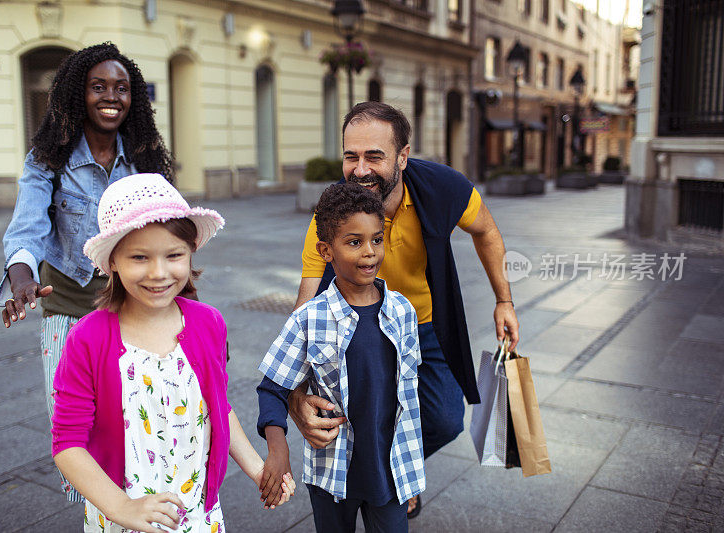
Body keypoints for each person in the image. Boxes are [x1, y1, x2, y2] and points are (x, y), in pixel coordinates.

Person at [290, 102, 521, 518]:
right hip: (360, 329)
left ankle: (394, 470)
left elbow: (486, 229)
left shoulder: (444, 188)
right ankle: (390, 480)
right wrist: (296, 392)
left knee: (447, 419)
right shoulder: (332, 213)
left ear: (402, 156)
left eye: (374, 156)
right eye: (351, 156)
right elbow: (306, 304)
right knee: (364, 420)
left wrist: (504, 300)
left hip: (425, 324)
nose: (360, 170)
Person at [52, 174, 295, 533]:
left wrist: (258, 469)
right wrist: (122, 507)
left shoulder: (208, 323)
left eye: (174, 255)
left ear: (190, 252)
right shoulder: (87, 338)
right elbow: (68, 444)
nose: (159, 272)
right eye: (139, 257)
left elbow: (217, 406)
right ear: (113, 261)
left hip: (197, 513)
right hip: (123, 517)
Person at [0, 42, 173, 500]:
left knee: (139, 422)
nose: (111, 96)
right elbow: (27, 227)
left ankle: (141, 510)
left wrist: (188, 311)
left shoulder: (144, 159)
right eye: (98, 87)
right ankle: (99, 513)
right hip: (68, 309)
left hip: (135, 310)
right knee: (76, 428)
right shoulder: (48, 158)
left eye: (121, 87)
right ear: (79, 94)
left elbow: (169, 241)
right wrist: (22, 278)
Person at [257, 183, 424, 533]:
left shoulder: (403, 312)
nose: (369, 253)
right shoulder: (309, 319)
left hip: (391, 470)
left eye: (377, 240)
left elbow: (407, 395)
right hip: (332, 472)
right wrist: (278, 449)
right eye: (354, 242)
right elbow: (272, 387)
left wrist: (411, 469)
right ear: (326, 250)